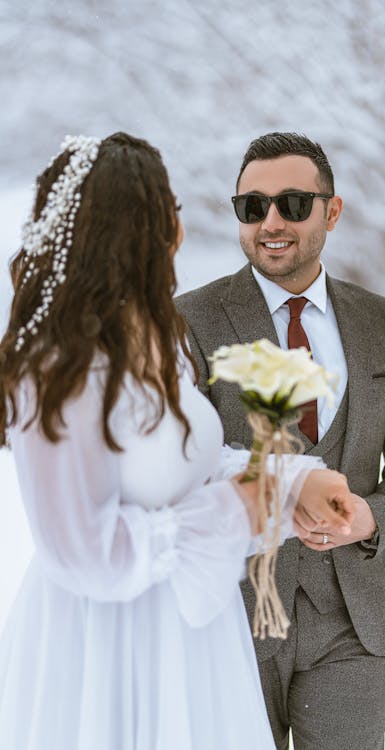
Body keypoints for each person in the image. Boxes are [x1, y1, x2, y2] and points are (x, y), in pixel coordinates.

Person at [0, 132, 357, 750]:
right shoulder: (57, 364)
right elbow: (81, 551)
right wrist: (237, 508)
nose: (180, 229)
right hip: (108, 651)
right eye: (170, 211)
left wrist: (293, 481)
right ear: (130, 228)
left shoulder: (156, 334)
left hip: (191, 640)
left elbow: (180, 466)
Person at [176, 131, 385, 750]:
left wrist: (376, 516)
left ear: (332, 210)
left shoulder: (382, 320)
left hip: (352, 618)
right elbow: (178, 463)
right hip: (229, 616)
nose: (271, 222)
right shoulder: (189, 320)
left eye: (293, 204)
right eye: (252, 207)